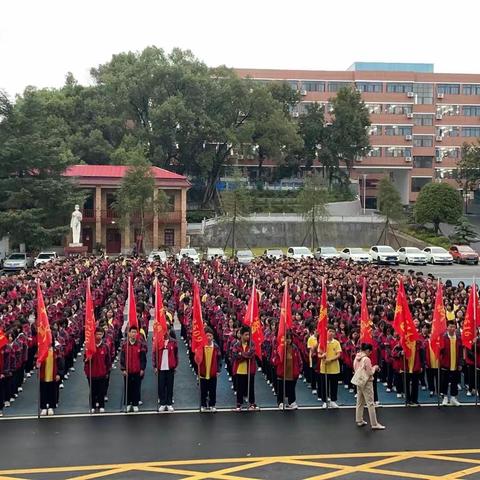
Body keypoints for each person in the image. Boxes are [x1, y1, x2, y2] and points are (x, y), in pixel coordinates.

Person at [353, 343, 385, 430]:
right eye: (370, 352)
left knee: (359, 402)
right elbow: (370, 373)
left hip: (359, 381)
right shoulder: (366, 359)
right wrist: (375, 367)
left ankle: (359, 420)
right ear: (367, 350)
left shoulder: (357, 357)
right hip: (367, 382)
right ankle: (374, 423)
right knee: (370, 403)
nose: (370, 353)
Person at [273, 331, 302, 409]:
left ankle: (291, 401)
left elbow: (299, 359)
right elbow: (275, 360)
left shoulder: (294, 347)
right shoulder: (280, 347)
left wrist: (299, 369)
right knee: (281, 388)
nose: (288, 340)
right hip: (282, 372)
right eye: (286, 338)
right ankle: (281, 402)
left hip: (293, 372)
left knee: (291, 388)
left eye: (289, 339)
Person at [120, 326, 146, 413]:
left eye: (135, 332)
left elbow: (143, 358)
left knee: (136, 387)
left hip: (137, 370)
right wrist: (123, 369)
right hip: (127, 371)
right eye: (132, 332)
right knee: (128, 387)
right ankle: (128, 404)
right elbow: (122, 358)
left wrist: (142, 368)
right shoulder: (125, 345)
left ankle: (135, 404)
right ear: (129, 333)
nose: (133, 334)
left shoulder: (140, 344)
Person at [84, 327, 111, 413]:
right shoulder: (89, 347)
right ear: (94, 335)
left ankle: (101, 405)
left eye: (101, 334)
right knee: (92, 390)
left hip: (102, 373)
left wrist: (107, 371)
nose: (99, 336)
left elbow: (108, 360)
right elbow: (85, 360)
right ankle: (92, 406)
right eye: (97, 334)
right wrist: (88, 359)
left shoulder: (105, 346)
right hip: (91, 373)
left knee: (101, 390)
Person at [153, 328, 178, 412]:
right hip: (161, 367)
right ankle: (163, 403)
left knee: (170, 386)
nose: (165, 332)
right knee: (161, 386)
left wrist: (175, 365)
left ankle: (169, 403)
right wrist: (155, 366)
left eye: (166, 330)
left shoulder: (173, 341)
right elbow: (154, 354)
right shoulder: (158, 341)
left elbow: (176, 354)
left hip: (170, 367)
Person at [232, 326, 257, 411]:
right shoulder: (236, 345)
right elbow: (235, 356)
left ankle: (252, 403)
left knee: (250, 387)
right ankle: (239, 404)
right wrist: (245, 355)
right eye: (246, 335)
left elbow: (252, 354)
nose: (248, 337)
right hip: (239, 369)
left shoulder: (252, 344)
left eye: (248, 335)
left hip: (250, 369)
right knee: (240, 388)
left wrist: (241, 354)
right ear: (241, 335)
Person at [197, 327, 222, 412]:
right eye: (207, 336)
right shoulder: (201, 347)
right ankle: (203, 405)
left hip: (212, 372)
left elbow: (219, 359)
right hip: (203, 372)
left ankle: (212, 405)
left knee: (212, 390)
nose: (208, 338)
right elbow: (197, 359)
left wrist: (218, 370)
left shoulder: (216, 347)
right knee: (203, 390)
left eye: (210, 336)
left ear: (213, 337)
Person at [318, 326, 342, 408]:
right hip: (324, 368)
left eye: (333, 332)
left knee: (334, 385)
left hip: (334, 368)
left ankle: (333, 401)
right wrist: (322, 356)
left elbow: (339, 354)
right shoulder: (322, 342)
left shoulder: (336, 343)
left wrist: (330, 360)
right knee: (324, 385)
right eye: (330, 331)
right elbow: (318, 354)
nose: (331, 333)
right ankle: (325, 401)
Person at [38, 343, 65, 416]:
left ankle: (51, 407)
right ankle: (43, 407)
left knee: (52, 391)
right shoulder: (41, 350)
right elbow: (36, 360)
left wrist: (59, 373)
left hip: (53, 374)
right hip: (43, 374)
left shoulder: (56, 349)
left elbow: (61, 362)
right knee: (43, 391)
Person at [440, 321, 462, 406]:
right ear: (447, 328)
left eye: (454, 327)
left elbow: (460, 352)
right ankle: (445, 397)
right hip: (445, 364)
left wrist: (460, 363)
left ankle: (453, 398)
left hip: (455, 364)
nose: (452, 329)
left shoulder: (459, 338)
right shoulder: (443, 338)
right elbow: (440, 352)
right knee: (444, 381)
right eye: (450, 327)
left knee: (455, 382)